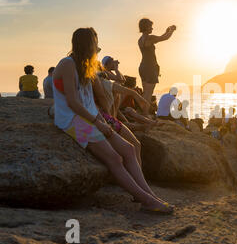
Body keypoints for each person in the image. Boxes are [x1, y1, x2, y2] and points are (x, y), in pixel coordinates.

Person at [52, 27, 173, 214]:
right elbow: (73, 102)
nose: (97, 47)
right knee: (114, 158)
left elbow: (89, 102)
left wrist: (103, 120)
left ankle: (149, 195)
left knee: (129, 149)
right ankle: (147, 200)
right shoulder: (68, 64)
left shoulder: (86, 67)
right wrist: (98, 123)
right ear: (87, 44)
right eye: (94, 42)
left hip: (90, 116)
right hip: (72, 120)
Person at [138, 18, 176, 104]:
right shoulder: (150, 38)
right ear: (146, 27)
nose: (152, 28)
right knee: (149, 93)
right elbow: (165, 38)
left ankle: (142, 112)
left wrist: (167, 31)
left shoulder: (140, 40)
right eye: (151, 27)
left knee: (145, 93)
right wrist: (172, 30)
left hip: (143, 67)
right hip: (150, 67)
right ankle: (145, 113)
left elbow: (161, 37)